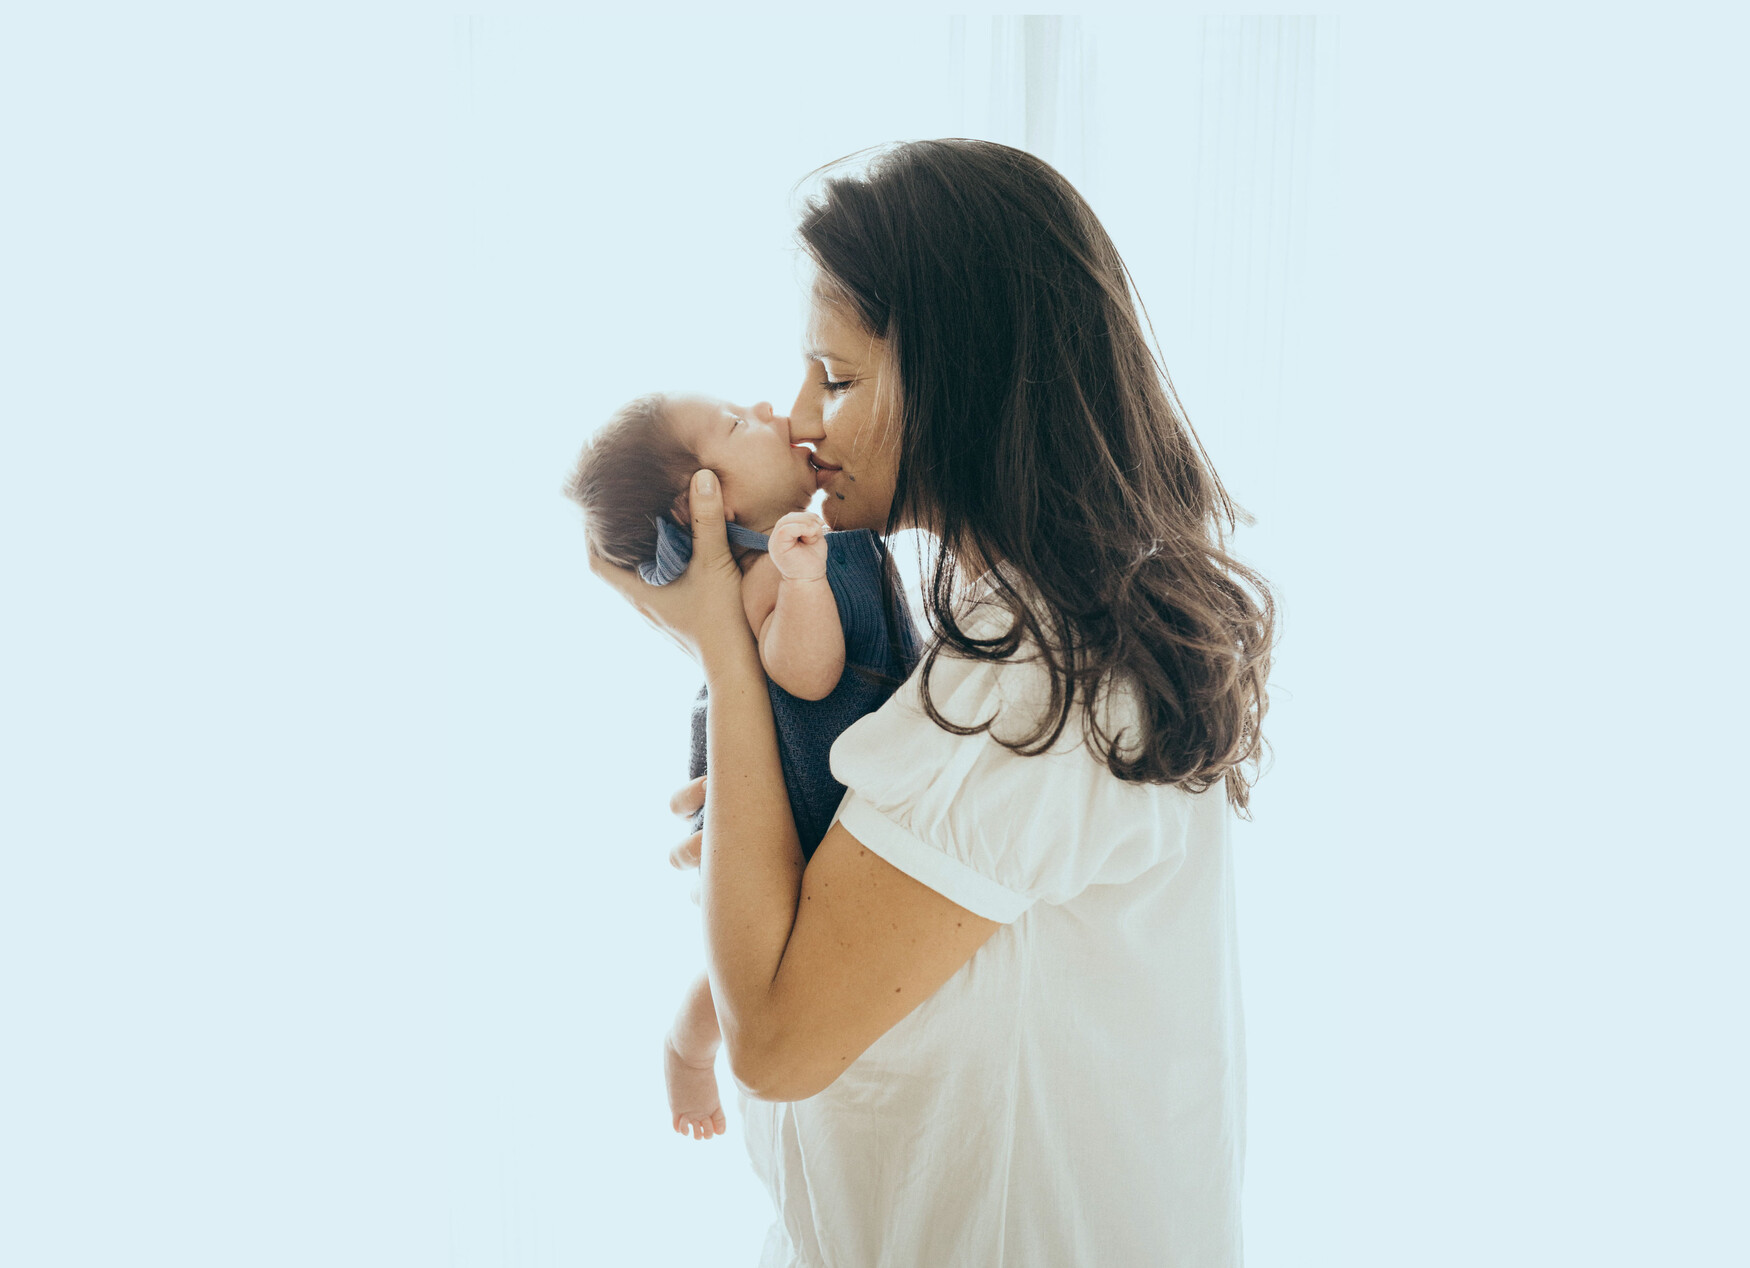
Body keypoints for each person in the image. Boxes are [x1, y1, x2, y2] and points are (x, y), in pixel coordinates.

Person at [588, 139, 1275, 1267]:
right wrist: (764, 834)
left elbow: (772, 1041)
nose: (803, 419)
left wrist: (718, 641)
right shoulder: (1002, 628)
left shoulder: (1033, 680)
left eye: (843, 379)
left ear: (970, 378)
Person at [562, 391, 919, 1140]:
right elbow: (810, 673)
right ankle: (687, 1050)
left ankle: (692, 1039)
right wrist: (805, 585)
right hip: (804, 806)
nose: (766, 407)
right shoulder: (770, 578)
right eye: (734, 424)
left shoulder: (796, 553)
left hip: (802, 801)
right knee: (751, 973)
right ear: (707, 508)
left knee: (750, 968)